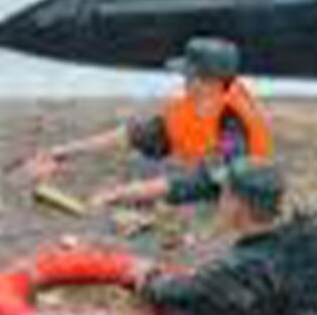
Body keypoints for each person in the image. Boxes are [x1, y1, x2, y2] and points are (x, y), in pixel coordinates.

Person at [20, 37, 273, 208]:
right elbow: (133, 135)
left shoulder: (233, 128)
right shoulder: (194, 104)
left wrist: (126, 193)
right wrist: (60, 152)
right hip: (194, 178)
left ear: (211, 83)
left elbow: (210, 182)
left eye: (189, 76)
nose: (183, 81)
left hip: (231, 200)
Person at [129, 160, 317, 315]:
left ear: (237, 206)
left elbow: (167, 293)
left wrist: (147, 277)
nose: (219, 200)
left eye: (223, 193)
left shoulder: (238, 269)